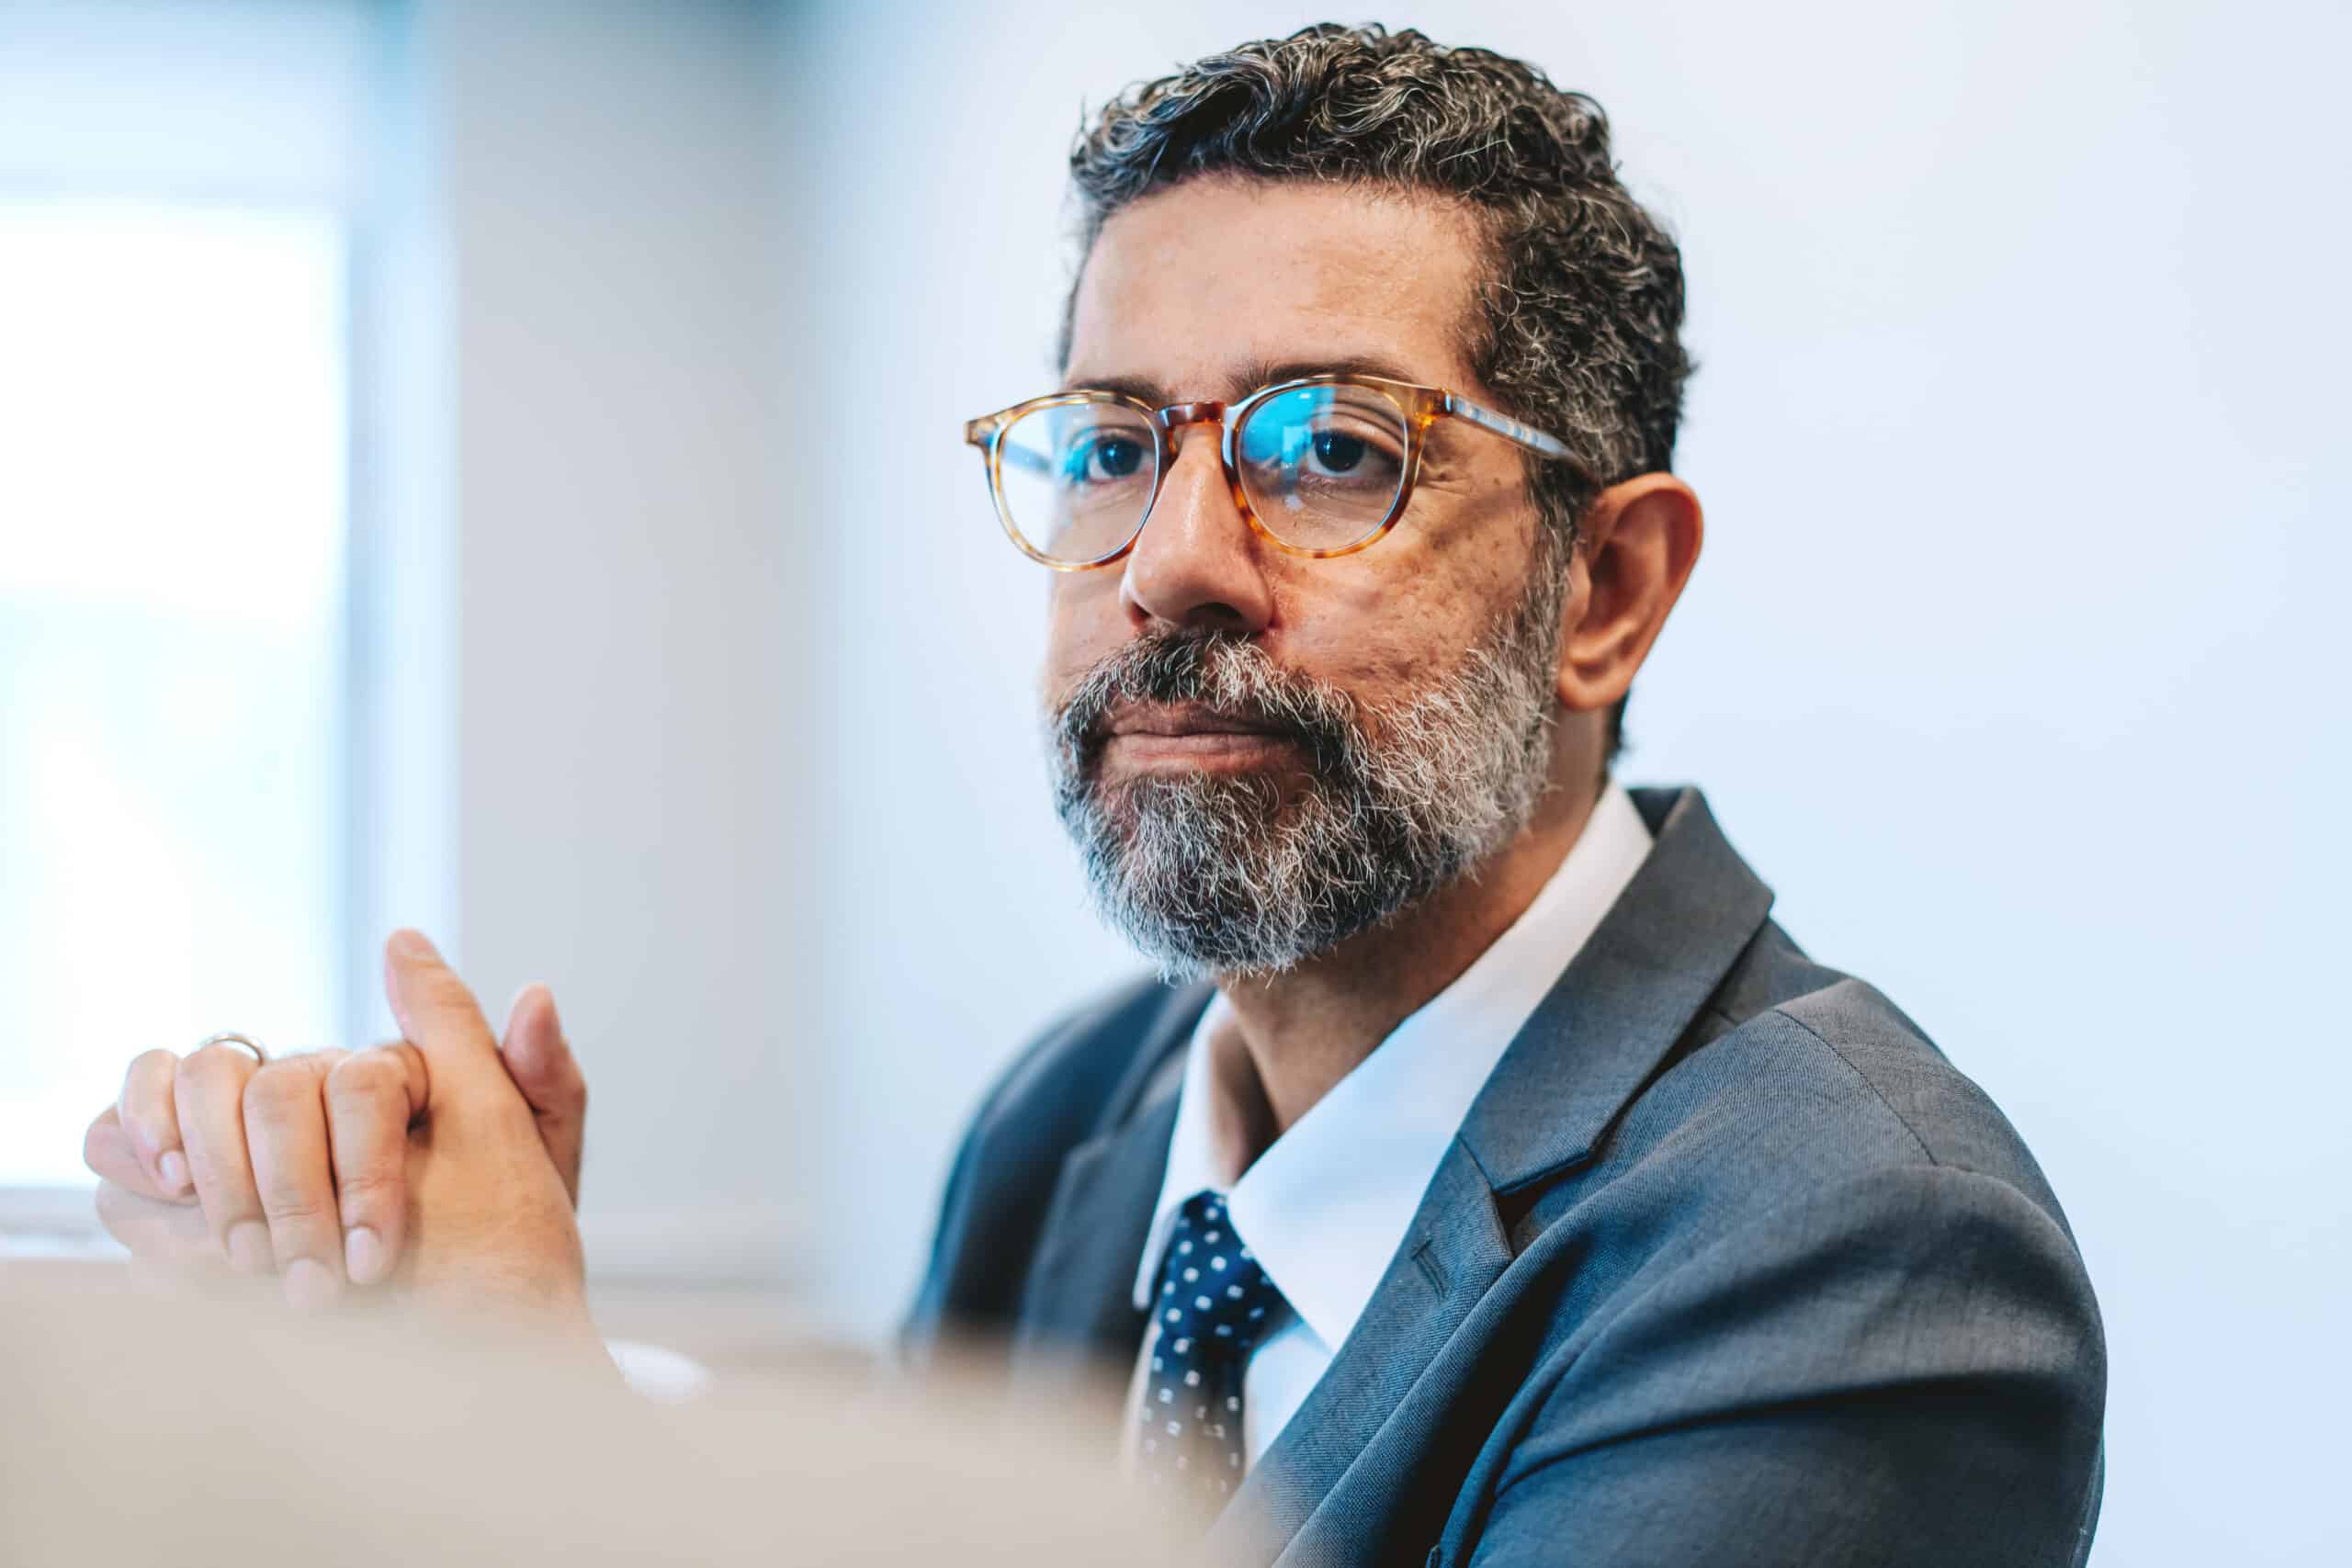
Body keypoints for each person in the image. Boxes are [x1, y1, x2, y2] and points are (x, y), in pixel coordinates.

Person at [81, 24, 2105, 1566]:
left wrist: (534, 1446)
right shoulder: (1073, 1125)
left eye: (1328, 451)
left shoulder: (1862, 1257)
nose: (1165, 562)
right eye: (1113, 444)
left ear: (1605, 588)